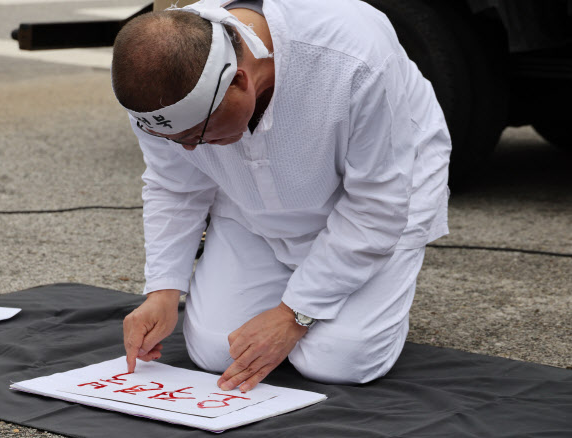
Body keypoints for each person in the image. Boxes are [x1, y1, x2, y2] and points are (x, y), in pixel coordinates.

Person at [111, 0, 451, 393]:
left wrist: (293, 314)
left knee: (339, 360)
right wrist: (164, 290)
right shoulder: (158, 95)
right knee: (215, 352)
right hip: (251, 208)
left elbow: (377, 201)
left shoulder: (352, 55)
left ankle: (358, 294)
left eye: (200, 136)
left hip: (379, 202)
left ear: (239, 81)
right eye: (176, 140)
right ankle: (308, 283)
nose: (189, 150)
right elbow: (174, 185)